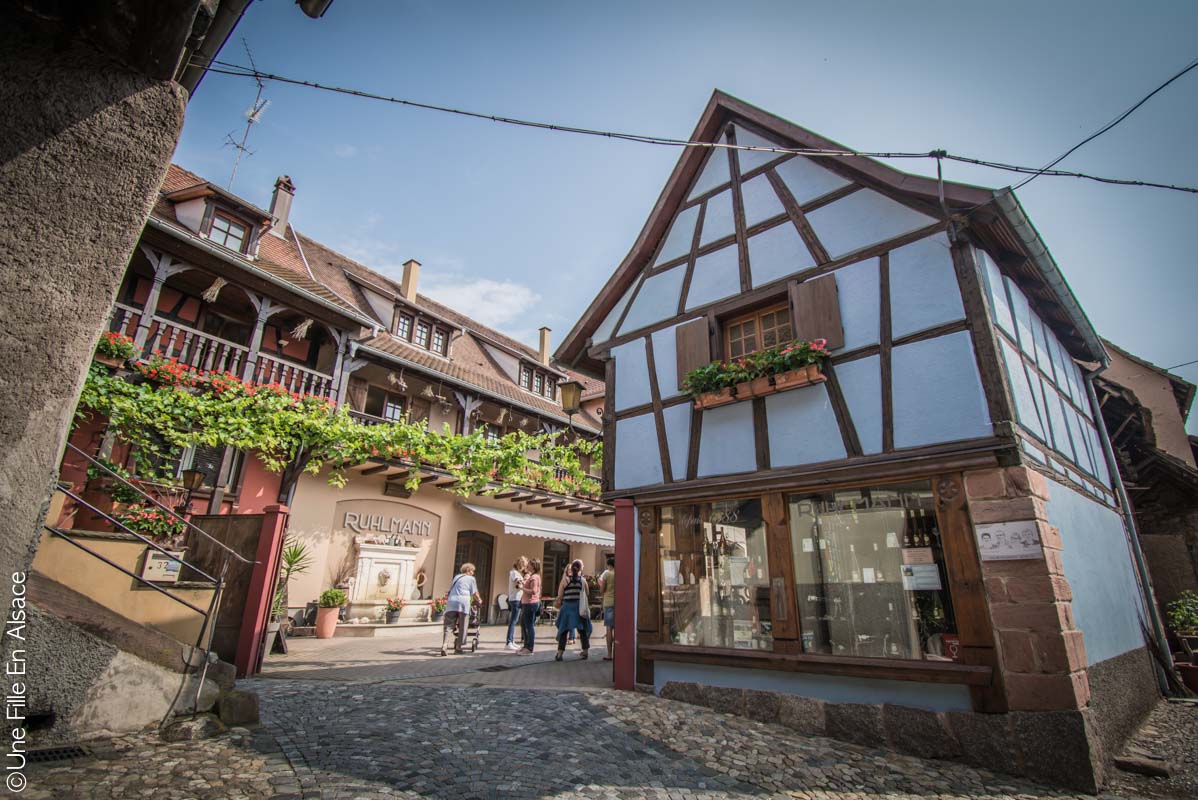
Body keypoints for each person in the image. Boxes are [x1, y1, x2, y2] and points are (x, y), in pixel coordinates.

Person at [554, 559, 592, 661]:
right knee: (582, 630)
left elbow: (560, 595)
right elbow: (587, 593)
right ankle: (585, 652)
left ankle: (560, 653)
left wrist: (559, 601)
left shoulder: (565, 580)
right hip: (579, 608)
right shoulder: (583, 580)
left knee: (564, 630)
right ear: (580, 569)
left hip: (567, 608)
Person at [441, 563, 481, 657]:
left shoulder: (456, 577)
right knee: (463, 625)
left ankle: (444, 645)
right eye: (472, 571)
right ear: (468, 570)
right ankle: (458, 648)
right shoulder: (471, 579)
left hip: (451, 602)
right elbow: (474, 592)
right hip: (463, 603)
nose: (473, 573)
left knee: (448, 626)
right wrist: (479, 600)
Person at [517, 559, 542, 654]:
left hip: (530, 604)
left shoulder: (535, 577)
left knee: (529, 626)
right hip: (527, 603)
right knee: (524, 624)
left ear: (534, 566)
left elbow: (534, 591)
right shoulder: (532, 576)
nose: (528, 566)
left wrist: (522, 588)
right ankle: (526, 646)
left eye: (530, 564)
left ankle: (529, 648)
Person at [505, 556, 527, 651]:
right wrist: (525, 580)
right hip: (515, 599)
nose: (524, 568)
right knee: (513, 621)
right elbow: (518, 584)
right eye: (524, 565)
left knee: (514, 620)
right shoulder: (514, 573)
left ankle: (512, 641)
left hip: (517, 598)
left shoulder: (517, 573)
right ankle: (509, 642)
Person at [597, 555, 616, 661]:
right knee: (617, 628)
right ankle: (618, 652)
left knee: (609, 628)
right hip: (618, 603)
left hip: (608, 602)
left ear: (609, 565)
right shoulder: (619, 574)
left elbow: (602, 590)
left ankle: (609, 654)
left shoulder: (607, 574)